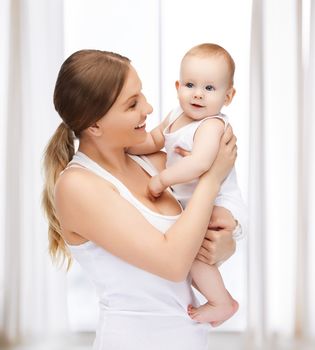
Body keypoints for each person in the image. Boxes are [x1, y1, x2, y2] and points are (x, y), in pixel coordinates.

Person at [42, 49, 238, 350]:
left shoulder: (154, 162)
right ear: (95, 125)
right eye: (133, 104)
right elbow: (173, 263)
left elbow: (201, 228)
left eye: (142, 94)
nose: (148, 108)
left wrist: (229, 241)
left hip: (190, 338)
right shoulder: (78, 186)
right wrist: (211, 179)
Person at [128, 43, 247, 325]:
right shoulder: (174, 117)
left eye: (209, 88)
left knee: (192, 246)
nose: (197, 94)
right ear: (178, 85)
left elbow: (200, 164)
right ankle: (218, 298)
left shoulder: (211, 126)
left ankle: (222, 301)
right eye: (191, 84)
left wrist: (162, 179)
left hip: (220, 202)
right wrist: (129, 146)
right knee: (190, 252)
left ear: (228, 96)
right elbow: (155, 140)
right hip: (196, 202)